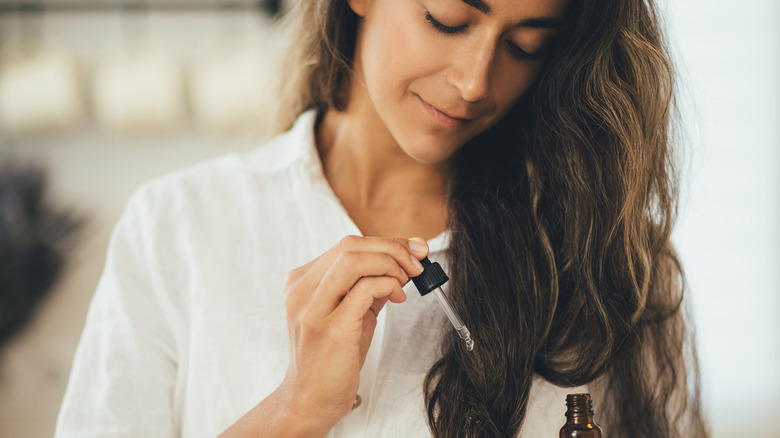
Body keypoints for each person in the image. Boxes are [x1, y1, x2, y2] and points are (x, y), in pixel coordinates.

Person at [56, 0, 709, 436]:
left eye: (526, 46)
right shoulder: (179, 225)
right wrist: (295, 410)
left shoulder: (613, 265)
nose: (476, 80)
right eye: (448, 18)